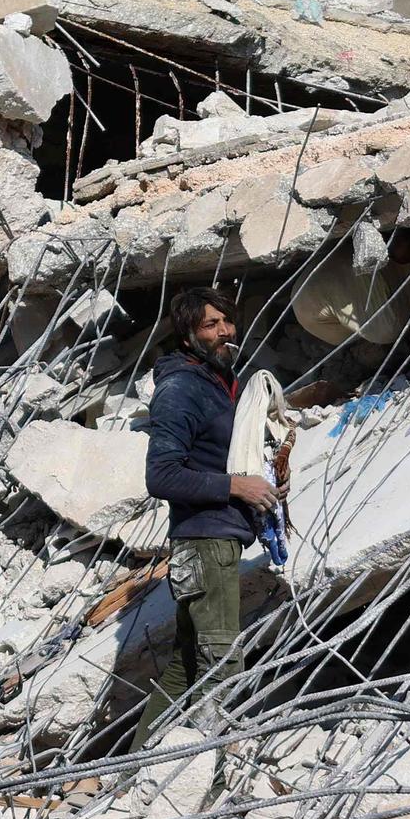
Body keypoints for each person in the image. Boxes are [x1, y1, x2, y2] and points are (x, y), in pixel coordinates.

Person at [137, 287, 278, 749]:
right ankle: (215, 774)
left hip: (213, 541)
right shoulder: (181, 389)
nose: (224, 332)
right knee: (222, 662)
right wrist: (237, 486)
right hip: (204, 543)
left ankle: (128, 772)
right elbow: (161, 475)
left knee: (187, 663)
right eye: (210, 325)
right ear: (187, 335)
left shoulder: (218, 379)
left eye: (227, 322)